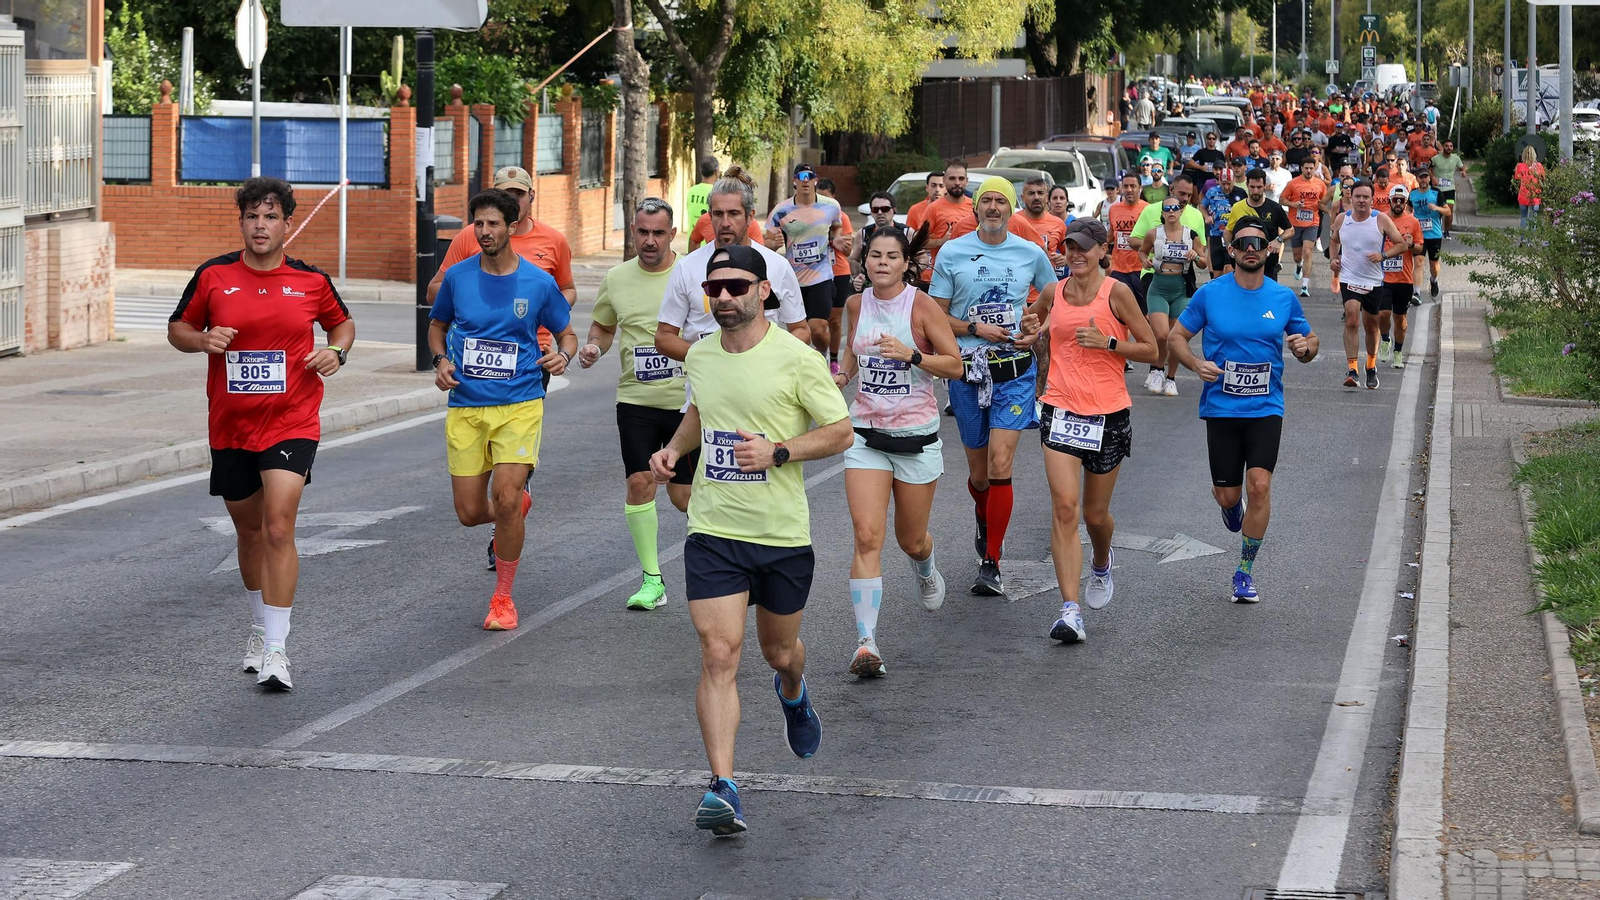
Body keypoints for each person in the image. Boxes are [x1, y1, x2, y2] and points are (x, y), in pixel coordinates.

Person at [647, 243, 853, 837]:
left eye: (737, 287)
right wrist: (674, 450)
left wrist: (779, 451)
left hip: (780, 534)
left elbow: (840, 430)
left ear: (765, 291)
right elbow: (699, 412)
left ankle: (793, 692)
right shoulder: (703, 356)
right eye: (715, 290)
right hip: (714, 529)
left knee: (779, 652)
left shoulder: (797, 358)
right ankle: (723, 787)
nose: (725, 299)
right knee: (718, 654)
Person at [167, 176, 354, 691]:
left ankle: (277, 648)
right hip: (230, 424)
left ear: (287, 225)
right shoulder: (213, 276)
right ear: (242, 222)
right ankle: (257, 626)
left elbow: (342, 325)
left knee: (277, 527)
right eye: (252, 216)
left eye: (271, 217)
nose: (261, 226)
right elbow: (176, 328)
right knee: (248, 532)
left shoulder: (311, 281)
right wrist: (204, 339)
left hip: (293, 419)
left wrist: (334, 352)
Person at [429, 189, 577, 631]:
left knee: (506, 498)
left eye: (493, 224)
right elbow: (437, 327)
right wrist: (440, 361)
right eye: (478, 224)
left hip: (520, 402)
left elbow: (566, 334)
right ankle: (515, 506)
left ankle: (503, 599)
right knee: (470, 513)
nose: (484, 231)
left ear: (512, 228)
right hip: (467, 405)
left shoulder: (537, 282)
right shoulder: (458, 278)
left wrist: (563, 356)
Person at [1019, 219, 1159, 642]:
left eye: (1083, 247)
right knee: (1064, 508)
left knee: (1095, 516)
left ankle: (1102, 561)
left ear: (1103, 251)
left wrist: (1110, 344)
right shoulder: (1053, 291)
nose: (1075, 255)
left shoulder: (1116, 292)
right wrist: (1031, 333)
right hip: (1060, 409)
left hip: (1108, 414)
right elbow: (1034, 326)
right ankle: (1070, 610)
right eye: (1069, 247)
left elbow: (1152, 348)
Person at [1167, 215, 1319, 603]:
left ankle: (1244, 571)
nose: (1251, 250)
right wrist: (1195, 365)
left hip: (1266, 407)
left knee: (1261, 486)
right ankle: (1230, 507)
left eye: (1258, 243)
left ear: (1269, 250)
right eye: (1243, 244)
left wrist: (1306, 349)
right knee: (1229, 497)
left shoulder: (1282, 297)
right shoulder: (1211, 294)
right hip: (1221, 408)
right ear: (1232, 251)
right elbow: (1176, 336)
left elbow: (1307, 339)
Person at [832, 227, 963, 676]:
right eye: (874, 255)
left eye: (892, 256)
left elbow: (956, 366)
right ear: (864, 261)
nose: (882, 262)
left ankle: (925, 563)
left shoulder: (921, 306)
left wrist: (912, 356)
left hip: (915, 439)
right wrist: (842, 375)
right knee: (868, 537)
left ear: (907, 263)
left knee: (909, 539)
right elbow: (853, 352)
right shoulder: (856, 304)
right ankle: (866, 642)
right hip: (866, 435)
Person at [929, 176, 1056, 596]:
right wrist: (973, 327)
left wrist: (1034, 321)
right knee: (980, 475)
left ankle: (992, 561)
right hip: (968, 371)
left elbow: (1055, 292)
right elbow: (935, 315)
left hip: (1015, 371)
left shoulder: (1029, 251)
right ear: (976, 208)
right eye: (988, 201)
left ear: (1012, 208)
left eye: (1003, 201)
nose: (995, 208)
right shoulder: (953, 251)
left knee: (1002, 466)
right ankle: (984, 518)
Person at [577, 197, 691, 611]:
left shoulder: (692, 273)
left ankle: (719, 563)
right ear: (633, 232)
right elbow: (604, 327)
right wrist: (593, 347)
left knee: (684, 497)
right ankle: (652, 580)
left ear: (672, 234)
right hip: (636, 399)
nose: (649, 240)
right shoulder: (617, 277)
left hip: (688, 402)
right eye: (642, 232)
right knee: (640, 482)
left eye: (658, 233)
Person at [657, 166, 811, 361]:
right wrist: (708, 358)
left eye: (734, 213)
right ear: (710, 215)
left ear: (750, 216)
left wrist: (771, 357)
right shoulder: (687, 267)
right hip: (708, 385)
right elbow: (664, 337)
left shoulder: (777, 265)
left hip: (762, 382)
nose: (725, 222)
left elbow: (801, 330)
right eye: (718, 214)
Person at [1329, 179, 1409, 390]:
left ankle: (1371, 367)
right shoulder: (1341, 219)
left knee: (1371, 326)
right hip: (1349, 278)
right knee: (1351, 319)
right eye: (1358, 196)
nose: (1361, 200)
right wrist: (1334, 259)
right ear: (1351, 198)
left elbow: (1401, 244)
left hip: (1373, 281)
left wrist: (1383, 255)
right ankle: (1352, 370)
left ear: (1372, 199)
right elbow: (1334, 239)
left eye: (1366, 197)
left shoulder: (1380, 219)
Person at [765, 163, 848, 360]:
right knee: (800, 332)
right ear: (793, 181)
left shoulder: (831, 206)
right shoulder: (781, 210)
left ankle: (824, 355)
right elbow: (766, 241)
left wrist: (835, 239)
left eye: (809, 176)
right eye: (800, 176)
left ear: (815, 180)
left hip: (822, 275)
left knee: (817, 330)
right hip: (793, 278)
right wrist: (773, 244)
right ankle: (808, 363)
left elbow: (836, 228)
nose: (805, 180)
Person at [1137, 198, 1204, 396]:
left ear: (1181, 211)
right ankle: (1158, 369)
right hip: (1158, 287)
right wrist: (1145, 262)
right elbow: (1142, 252)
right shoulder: (1154, 233)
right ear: (1163, 212)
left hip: (1181, 290)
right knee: (1161, 334)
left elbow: (1204, 262)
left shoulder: (1191, 235)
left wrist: (1196, 256)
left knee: (1176, 337)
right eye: (1168, 208)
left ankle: (1171, 378)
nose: (1172, 211)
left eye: (1176, 208)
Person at [1377, 185, 1423, 369]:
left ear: (1406, 202)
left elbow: (1420, 249)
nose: (1398, 203)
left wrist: (1412, 245)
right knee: (1383, 313)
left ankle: (1398, 351)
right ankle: (1386, 339)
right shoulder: (1380, 219)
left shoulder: (1413, 222)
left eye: (1401, 201)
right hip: (1382, 277)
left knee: (1400, 320)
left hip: (1404, 279)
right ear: (1389, 200)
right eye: (1395, 200)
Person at [816, 178, 856, 373]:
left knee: (834, 320)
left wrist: (835, 240)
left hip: (838, 271)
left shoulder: (842, 218)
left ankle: (833, 359)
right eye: (819, 198)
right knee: (817, 320)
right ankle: (818, 356)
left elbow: (848, 252)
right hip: (814, 273)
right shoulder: (809, 217)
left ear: (834, 199)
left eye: (827, 198)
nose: (823, 203)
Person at [1223, 168, 1291, 283]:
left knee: (1267, 299)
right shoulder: (1237, 207)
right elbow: (1228, 231)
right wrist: (1231, 248)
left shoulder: (1274, 208)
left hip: (1268, 264)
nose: (1255, 191)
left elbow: (1290, 230)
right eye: (1252, 187)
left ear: (1265, 186)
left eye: (1259, 187)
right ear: (1247, 185)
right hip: (1243, 264)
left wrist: (1279, 240)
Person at [1279, 161, 1329, 297]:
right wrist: (1294, 204)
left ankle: (1304, 286)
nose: (1308, 171)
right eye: (1306, 168)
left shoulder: (1320, 184)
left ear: (1314, 169)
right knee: (1297, 256)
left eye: (1311, 168)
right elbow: (1281, 200)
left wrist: (1329, 211)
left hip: (1313, 222)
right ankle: (1299, 265)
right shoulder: (1293, 183)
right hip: (1295, 223)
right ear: (1301, 168)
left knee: (1308, 251)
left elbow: (1324, 201)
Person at [1106, 172, 1150, 315]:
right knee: (1119, 312)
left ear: (1140, 188)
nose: (1129, 189)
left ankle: (1145, 337)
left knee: (1144, 313)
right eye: (1126, 186)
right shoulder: (1113, 209)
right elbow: (1111, 236)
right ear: (1121, 189)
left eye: (1133, 186)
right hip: (1119, 268)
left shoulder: (1148, 209)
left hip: (1141, 268)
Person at [1409, 166, 1448, 299]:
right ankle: (1416, 293)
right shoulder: (1412, 194)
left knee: (1434, 264)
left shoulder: (1437, 193)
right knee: (1418, 262)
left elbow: (1448, 211)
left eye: (1426, 177)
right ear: (1417, 179)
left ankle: (1434, 280)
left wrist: (1437, 208)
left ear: (1429, 178)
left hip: (1434, 234)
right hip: (1418, 234)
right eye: (1421, 177)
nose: (1424, 179)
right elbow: (1407, 211)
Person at [1200, 168, 1244, 278]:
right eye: (1223, 184)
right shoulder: (1212, 192)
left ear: (1234, 180)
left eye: (1229, 183)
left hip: (1232, 235)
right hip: (1216, 234)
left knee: (1229, 269)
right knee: (1217, 273)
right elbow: (1202, 206)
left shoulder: (1241, 193)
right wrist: (1207, 216)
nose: (1226, 187)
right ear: (1219, 181)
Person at [1431, 138, 1467, 237]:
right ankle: (1436, 229)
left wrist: (1463, 172)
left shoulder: (1456, 158)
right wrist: (1433, 177)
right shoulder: (1435, 158)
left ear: (1453, 148)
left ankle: (1447, 231)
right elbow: (1429, 168)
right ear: (1443, 147)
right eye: (1446, 146)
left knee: (1449, 211)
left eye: (1451, 146)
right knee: (1437, 211)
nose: (1449, 148)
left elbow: (1462, 167)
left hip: (1450, 188)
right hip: (1438, 189)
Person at [685, 157, 719, 249]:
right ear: (717, 172)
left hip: (693, 243)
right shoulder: (717, 192)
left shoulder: (692, 191)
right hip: (708, 245)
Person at [1513, 145, 1545, 229]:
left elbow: (1517, 178)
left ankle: (1523, 240)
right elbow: (1543, 178)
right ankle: (1531, 241)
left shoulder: (1519, 166)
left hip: (1523, 195)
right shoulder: (1538, 166)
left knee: (1524, 217)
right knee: (1533, 219)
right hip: (1535, 196)